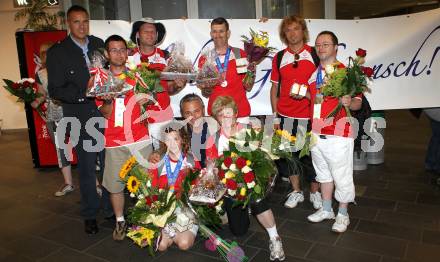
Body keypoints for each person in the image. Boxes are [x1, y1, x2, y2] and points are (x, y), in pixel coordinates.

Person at [47, 5, 111, 235]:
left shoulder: (98, 44)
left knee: (108, 164)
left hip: (104, 112)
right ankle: (90, 214)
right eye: (76, 22)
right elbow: (55, 89)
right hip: (79, 114)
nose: (82, 26)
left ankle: (110, 210)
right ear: (68, 24)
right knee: (85, 167)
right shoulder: (58, 52)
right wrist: (83, 94)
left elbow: (110, 74)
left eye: (85, 21)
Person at [206, 96, 285, 261]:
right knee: (239, 230)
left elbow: (265, 156)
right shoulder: (213, 139)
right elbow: (212, 166)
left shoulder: (249, 130)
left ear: (235, 114)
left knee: (257, 199)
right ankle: (243, 211)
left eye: (229, 113)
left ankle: (275, 238)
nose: (226, 118)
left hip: (252, 180)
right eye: (221, 115)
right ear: (216, 118)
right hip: (230, 187)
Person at [96, 35, 152, 241]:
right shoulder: (100, 80)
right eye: (114, 50)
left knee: (147, 183)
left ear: (127, 53)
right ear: (107, 54)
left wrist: (145, 100)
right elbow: (105, 113)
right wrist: (110, 98)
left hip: (140, 138)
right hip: (115, 141)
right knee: (115, 184)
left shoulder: (137, 76)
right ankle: (120, 220)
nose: (119, 53)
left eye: (122, 50)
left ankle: (148, 219)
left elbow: (148, 105)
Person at [307, 31, 362, 233]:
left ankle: (343, 214)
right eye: (318, 45)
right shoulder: (314, 74)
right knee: (323, 175)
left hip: (339, 134)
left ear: (336, 47)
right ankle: (327, 209)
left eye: (326, 44)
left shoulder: (346, 72)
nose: (321, 48)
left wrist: (349, 101)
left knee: (342, 177)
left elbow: (357, 103)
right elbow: (313, 100)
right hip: (317, 132)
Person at [270, 15, 322, 210]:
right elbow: (274, 89)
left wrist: (310, 98)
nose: (292, 33)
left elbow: (323, 86)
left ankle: (315, 192)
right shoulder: (280, 57)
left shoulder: (315, 54)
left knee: (312, 158)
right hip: (285, 115)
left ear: (303, 31)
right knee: (289, 156)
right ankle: (296, 191)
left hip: (310, 116)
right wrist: (275, 115)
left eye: (296, 29)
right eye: (288, 30)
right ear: (284, 34)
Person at [129, 18, 186, 149]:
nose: (150, 34)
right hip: (137, 121)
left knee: (164, 159)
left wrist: (177, 85)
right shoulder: (129, 57)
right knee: (142, 163)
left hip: (162, 118)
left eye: (153, 32)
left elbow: (169, 90)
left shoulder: (167, 57)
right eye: (146, 31)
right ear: (138, 34)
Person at [31, 42, 74, 197]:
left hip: (73, 112)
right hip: (54, 115)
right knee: (61, 149)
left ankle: (94, 183)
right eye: (45, 54)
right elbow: (41, 94)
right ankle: (68, 183)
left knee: (83, 147)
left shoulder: (69, 69)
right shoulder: (41, 74)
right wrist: (34, 101)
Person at [150, 124, 201, 251]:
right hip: (165, 211)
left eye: (175, 139)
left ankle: (177, 232)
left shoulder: (191, 161)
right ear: (163, 142)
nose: (172, 143)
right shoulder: (158, 162)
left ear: (182, 139)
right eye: (168, 139)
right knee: (161, 246)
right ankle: (168, 232)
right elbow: (152, 189)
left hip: (186, 210)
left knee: (184, 244)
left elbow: (198, 189)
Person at [197, 17, 256, 123]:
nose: (218, 35)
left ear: (228, 33)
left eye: (221, 31)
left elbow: (248, 87)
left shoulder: (240, 54)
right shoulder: (205, 59)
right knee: (217, 140)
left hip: (240, 114)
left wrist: (251, 71)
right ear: (211, 34)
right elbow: (206, 94)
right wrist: (206, 86)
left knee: (241, 140)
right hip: (216, 115)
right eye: (214, 31)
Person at [180, 93, 218, 168]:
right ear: (182, 114)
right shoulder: (179, 131)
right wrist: (158, 152)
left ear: (203, 110)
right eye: (188, 113)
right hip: (193, 172)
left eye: (196, 111)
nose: (193, 117)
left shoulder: (217, 126)